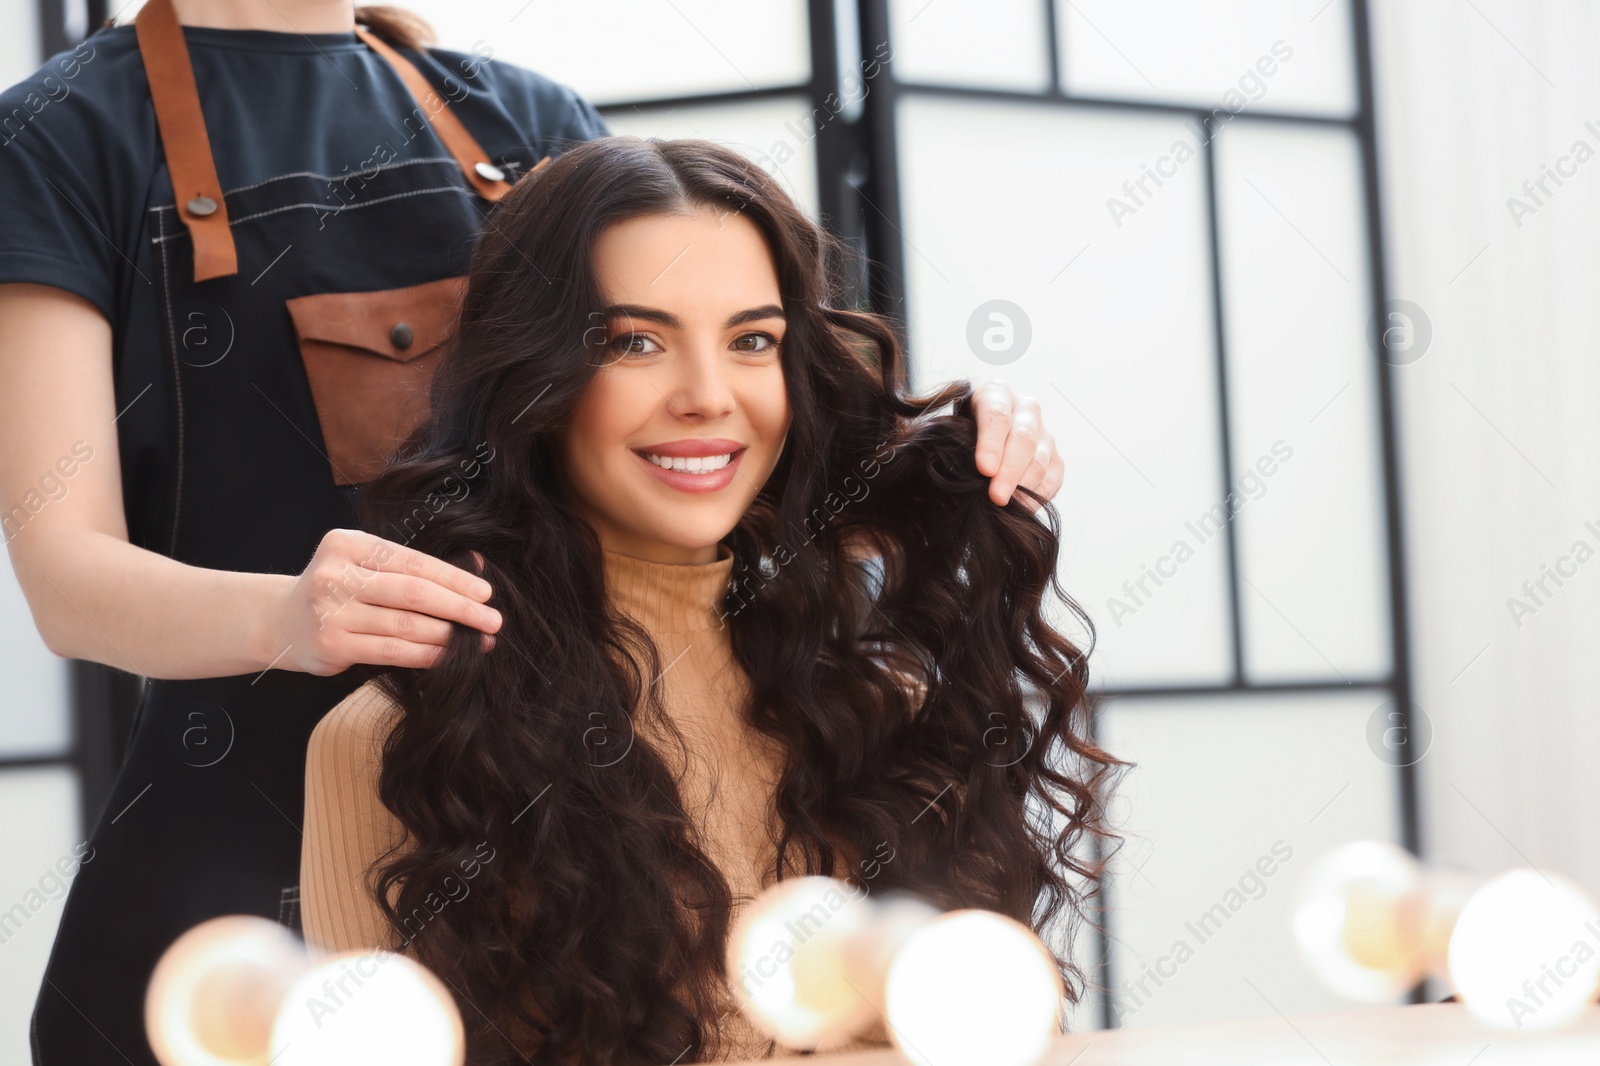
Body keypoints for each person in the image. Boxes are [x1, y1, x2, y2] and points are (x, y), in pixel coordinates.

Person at [0, 2, 1064, 1061]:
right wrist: (291, 615)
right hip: (237, 845)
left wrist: (946, 446)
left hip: (550, 803)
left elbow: (698, 389)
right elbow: (66, 575)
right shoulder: (61, 134)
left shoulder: (518, 117)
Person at [298, 136, 1119, 1066]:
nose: (706, 396)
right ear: (534, 383)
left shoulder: (880, 702)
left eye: (752, 341)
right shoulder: (407, 740)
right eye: (634, 342)